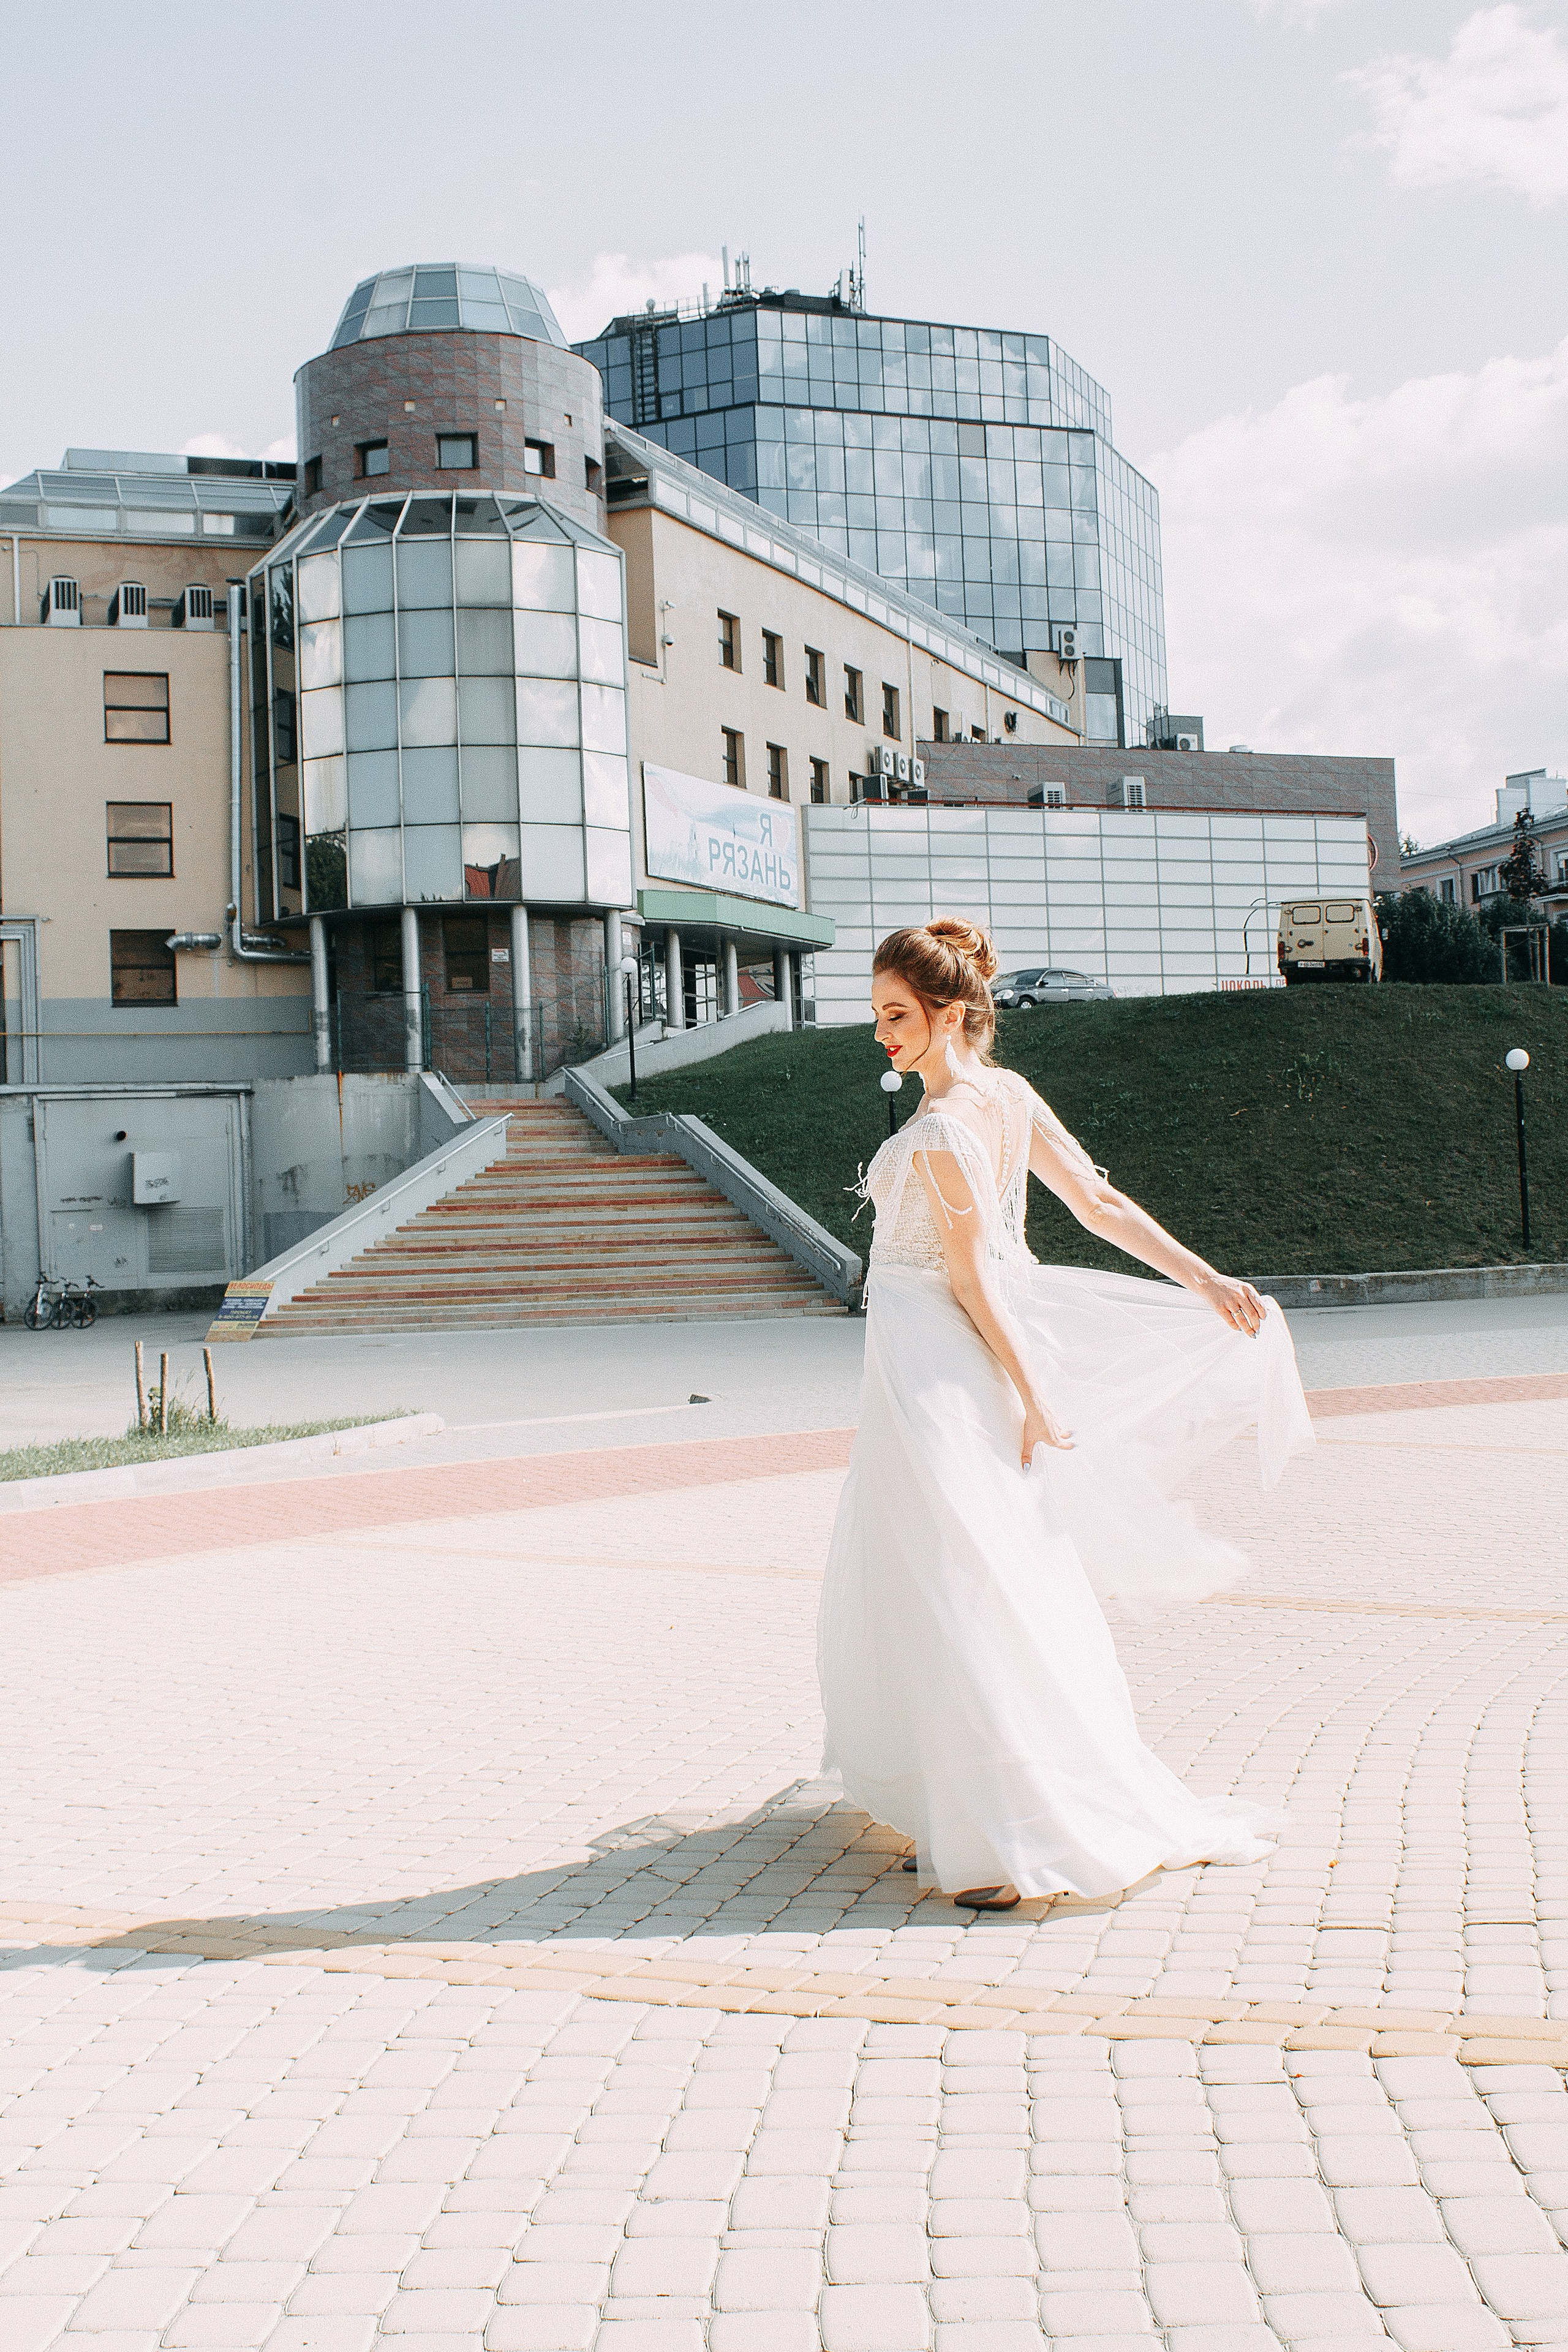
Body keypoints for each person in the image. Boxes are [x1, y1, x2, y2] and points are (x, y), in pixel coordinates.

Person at [817, 917, 1315, 1912]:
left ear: (951, 1013)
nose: (881, 1034)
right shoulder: (1006, 1097)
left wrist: (1039, 1397)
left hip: (936, 1367)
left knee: (962, 1581)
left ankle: (1004, 1833)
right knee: (975, 1571)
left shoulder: (951, 1122)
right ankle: (975, 1804)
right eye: (877, 1016)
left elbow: (969, 1278)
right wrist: (1202, 1274)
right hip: (942, 1361)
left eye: (897, 1016)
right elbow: (1098, 1201)